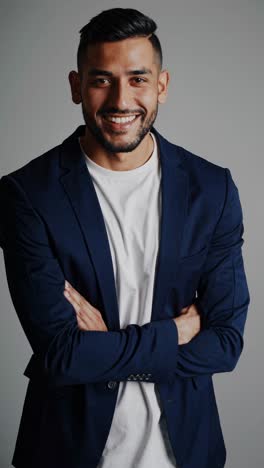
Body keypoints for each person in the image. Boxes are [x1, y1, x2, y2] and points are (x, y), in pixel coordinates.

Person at [0, 7, 250, 468]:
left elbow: (226, 343)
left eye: (138, 79)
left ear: (162, 86)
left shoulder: (211, 189)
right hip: (65, 451)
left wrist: (107, 345)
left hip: (187, 454)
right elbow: (60, 354)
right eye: (102, 80)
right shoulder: (27, 195)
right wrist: (174, 333)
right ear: (77, 86)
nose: (121, 99)